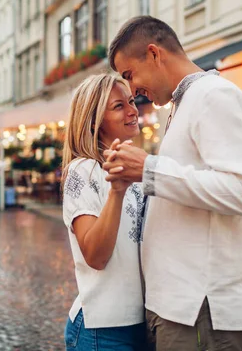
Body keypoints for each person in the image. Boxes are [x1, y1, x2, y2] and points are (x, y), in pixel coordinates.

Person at [102, 16, 242, 351]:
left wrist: (150, 170)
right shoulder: (185, 103)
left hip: (204, 307)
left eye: (129, 75)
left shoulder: (215, 96)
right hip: (184, 305)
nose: (132, 90)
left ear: (153, 53)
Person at [61, 74, 146, 350]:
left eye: (132, 101)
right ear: (94, 121)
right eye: (119, 106)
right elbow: (95, 256)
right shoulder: (83, 170)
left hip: (140, 322)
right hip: (103, 329)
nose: (133, 111)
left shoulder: (135, 172)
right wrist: (117, 191)